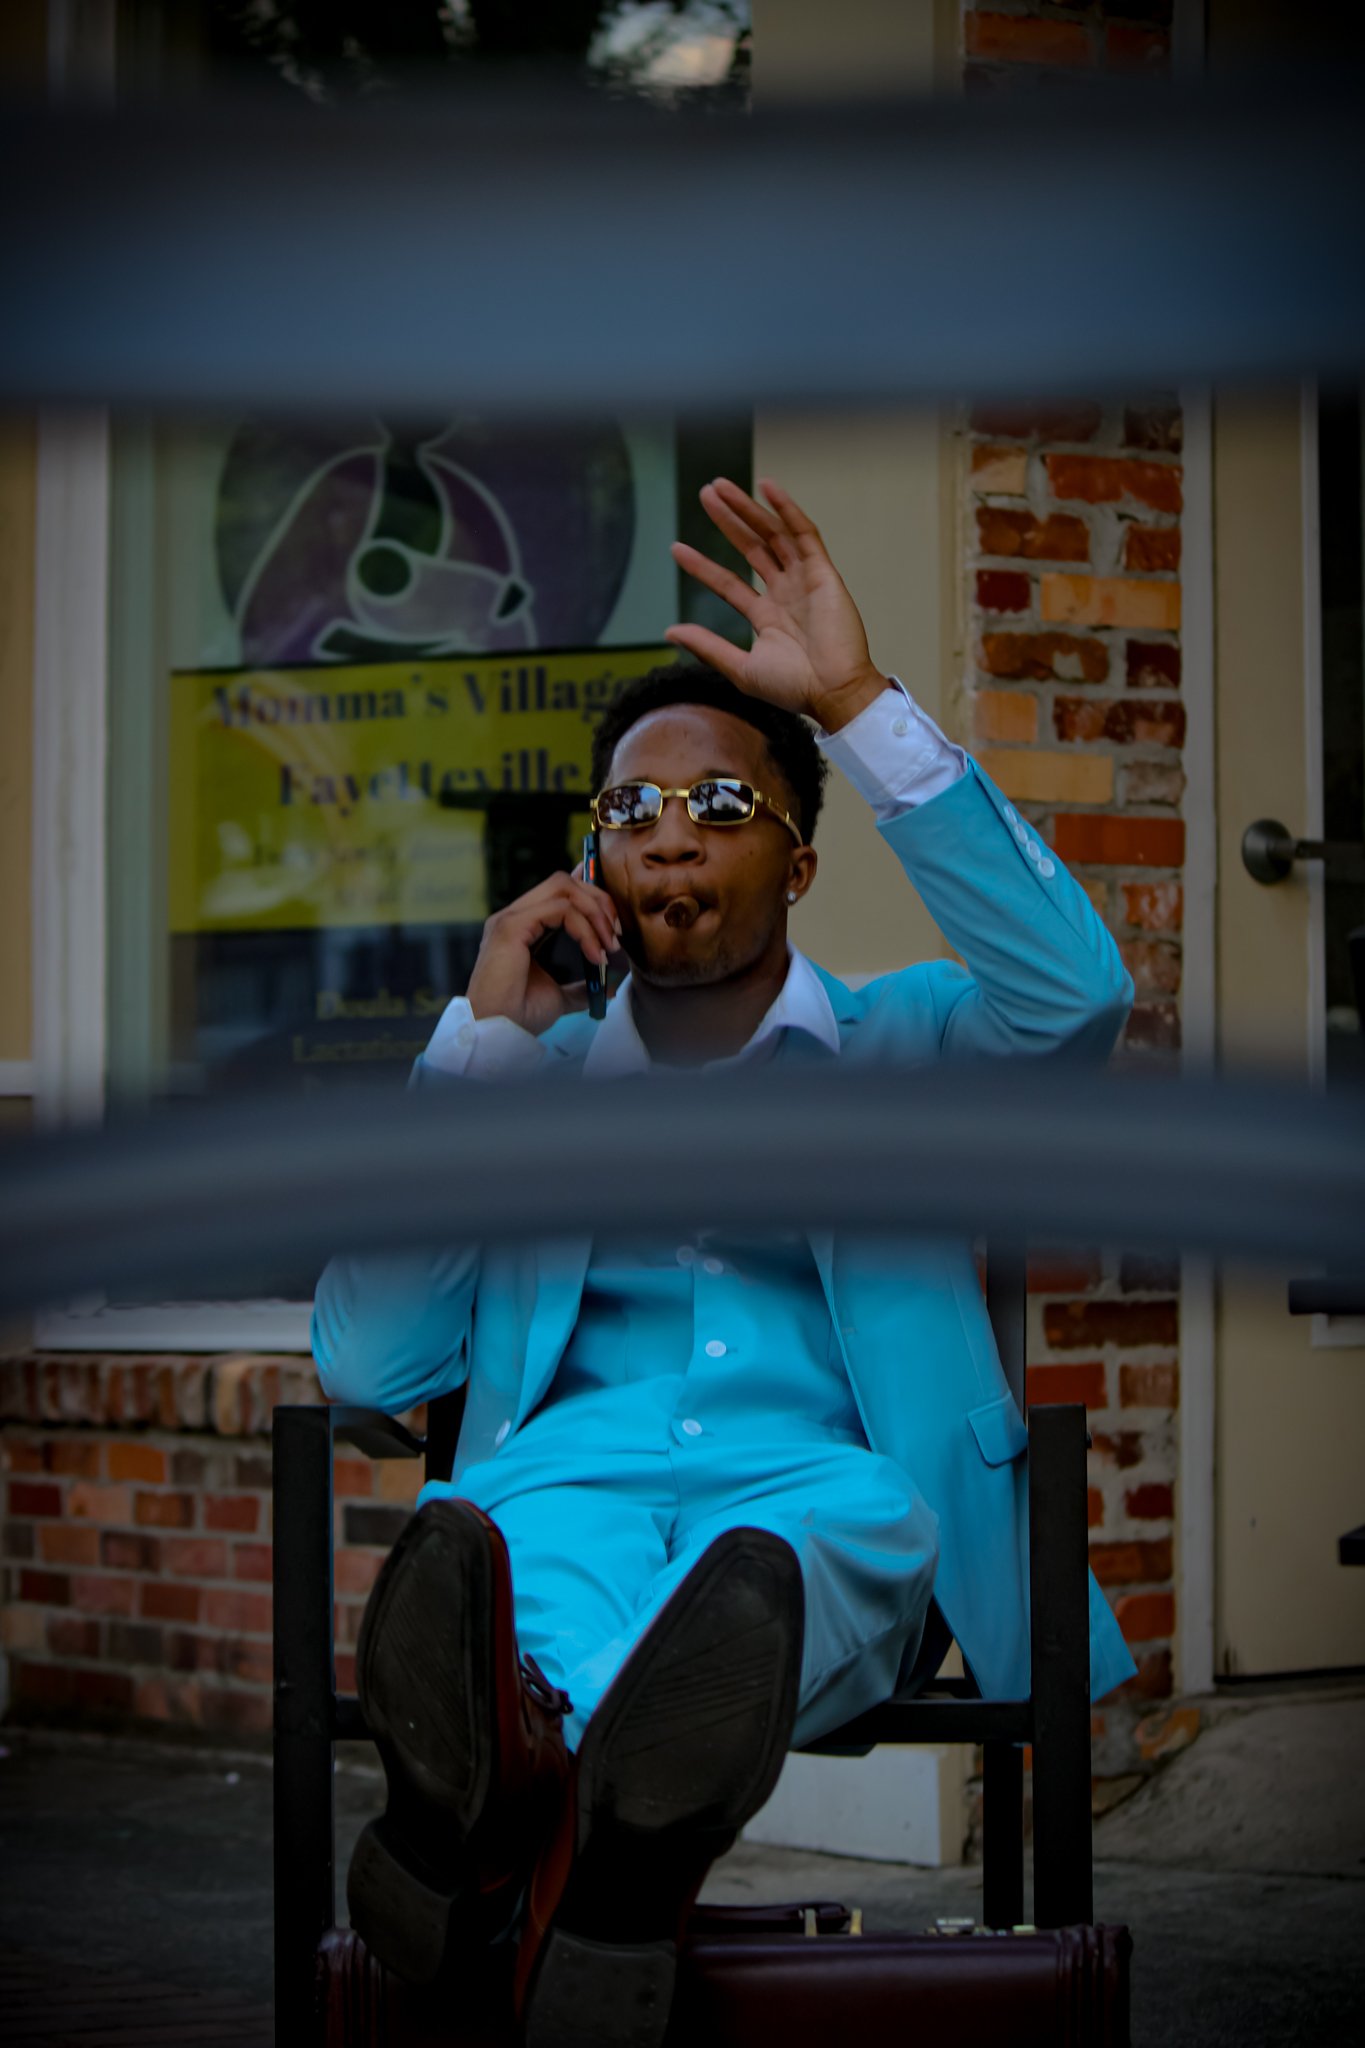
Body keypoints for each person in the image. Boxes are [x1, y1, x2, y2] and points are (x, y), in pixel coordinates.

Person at [312, 477, 1136, 2046]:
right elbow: (366, 1364)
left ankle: (479, 1843)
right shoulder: (525, 1083)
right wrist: (477, 1043)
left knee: (797, 1559)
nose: (670, 839)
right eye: (630, 812)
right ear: (590, 865)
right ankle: (589, 1851)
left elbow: (1073, 1001)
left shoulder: (909, 1042)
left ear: (802, 862)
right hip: (553, 1504)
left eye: (721, 808)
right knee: (496, 1576)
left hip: (817, 1504)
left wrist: (852, 705)